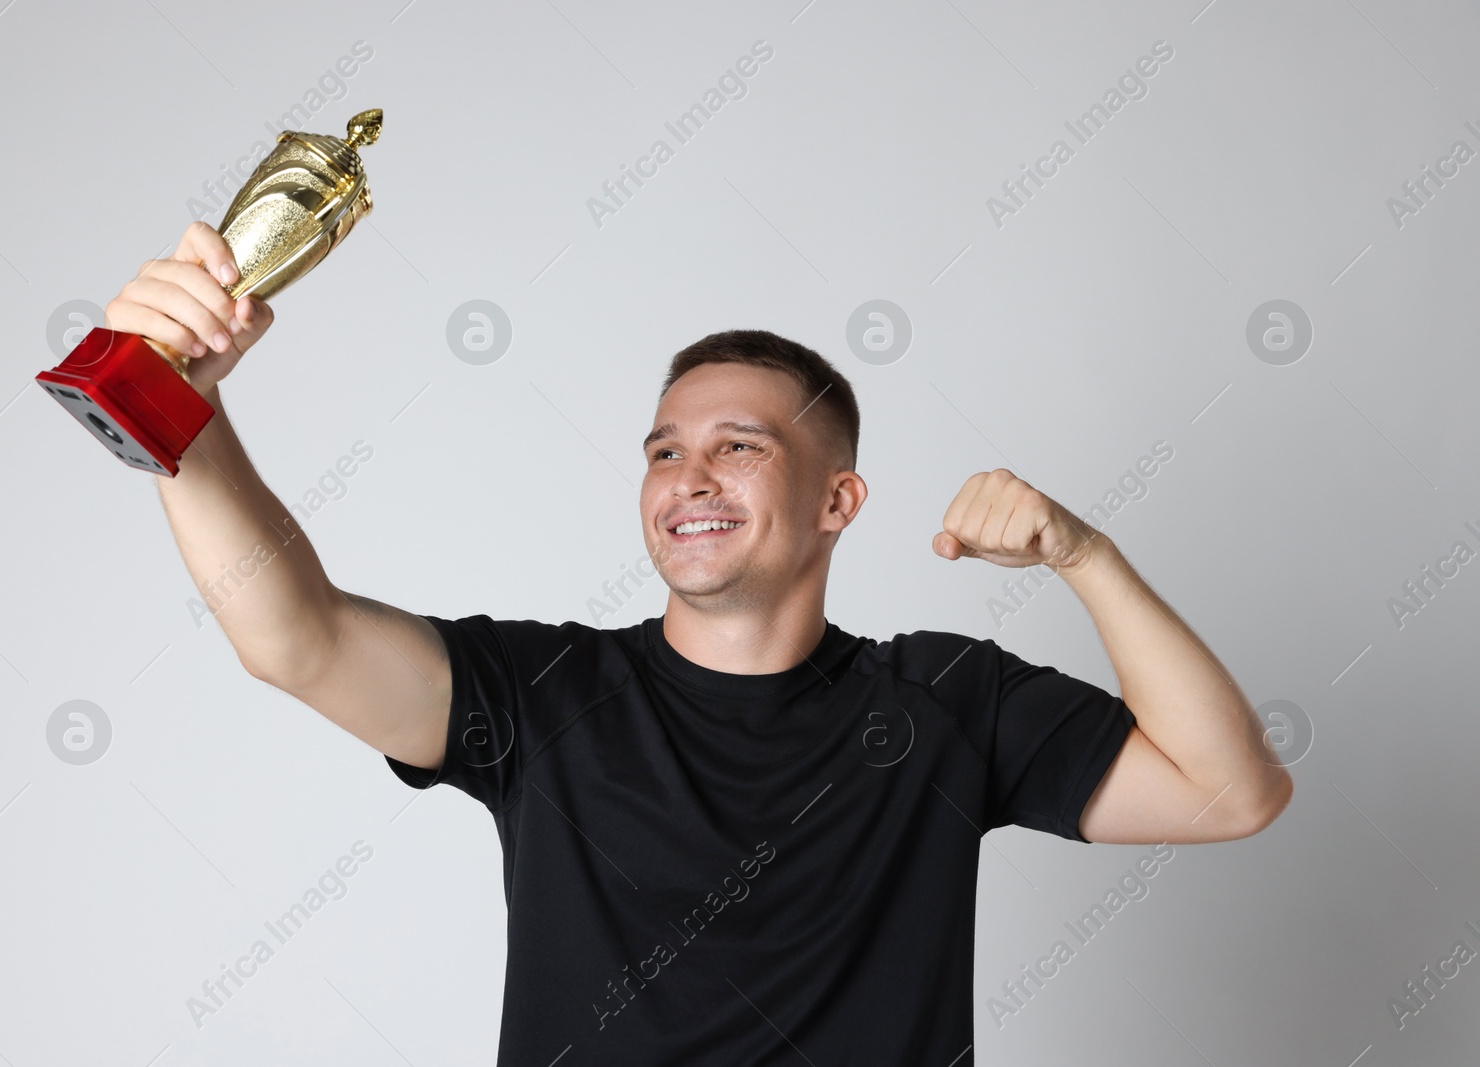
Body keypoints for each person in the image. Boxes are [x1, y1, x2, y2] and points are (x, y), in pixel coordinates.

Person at [110, 221, 1293, 1065]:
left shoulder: (946, 696)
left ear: (838, 502)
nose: (688, 478)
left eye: (739, 445)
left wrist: (1083, 555)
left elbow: (1230, 789)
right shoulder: (547, 692)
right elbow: (292, 635)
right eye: (663, 449)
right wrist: (181, 408)